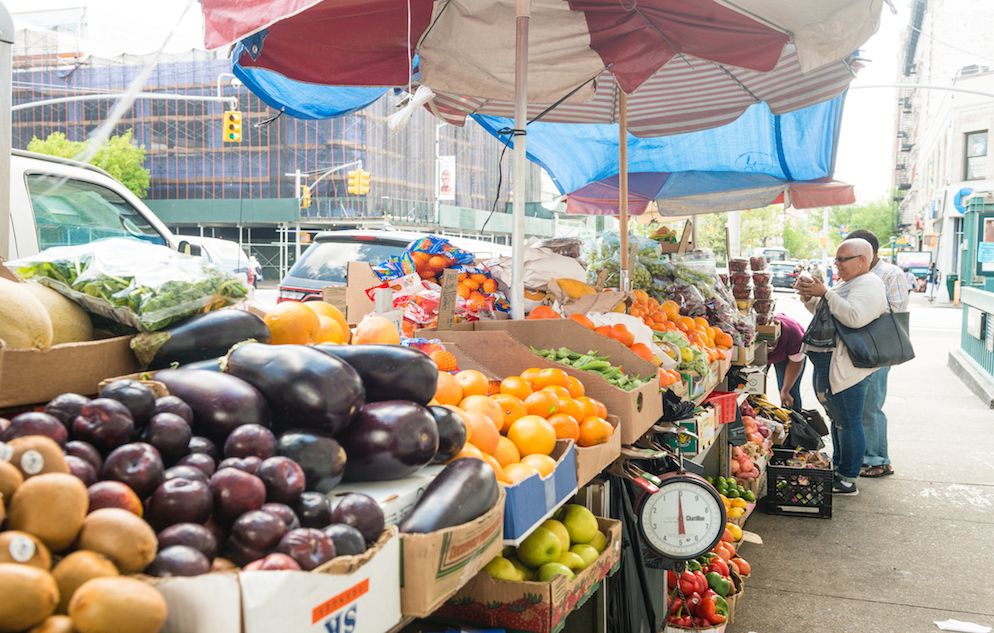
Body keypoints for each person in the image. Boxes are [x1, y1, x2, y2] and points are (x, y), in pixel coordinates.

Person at [795, 238, 887, 495]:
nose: (837, 263)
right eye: (836, 259)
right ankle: (840, 467)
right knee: (838, 421)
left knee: (848, 422)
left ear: (862, 261)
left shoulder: (869, 283)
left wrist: (825, 293)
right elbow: (828, 311)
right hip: (830, 366)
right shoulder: (849, 282)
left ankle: (847, 478)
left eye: (843, 259)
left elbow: (854, 317)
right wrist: (809, 296)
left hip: (846, 370)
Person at [846, 230, 909, 478]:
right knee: (856, 405)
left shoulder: (891, 273)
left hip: (878, 349)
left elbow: (896, 310)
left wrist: (861, 308)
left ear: (868, 254)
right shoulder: (854, 274)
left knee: (871, 405)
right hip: (855, 348)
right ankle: (861, 455)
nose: (844, 261)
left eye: (849, 256)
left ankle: (879, 460)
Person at [766, 313, 806, 409]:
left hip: (789, 355)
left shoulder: (795, 337)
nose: (767, 349)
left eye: (769, 347)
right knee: (753, 390)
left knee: (790, 393)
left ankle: (793, 421)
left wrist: (785, 390)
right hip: (758, 354)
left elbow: (795, 364)